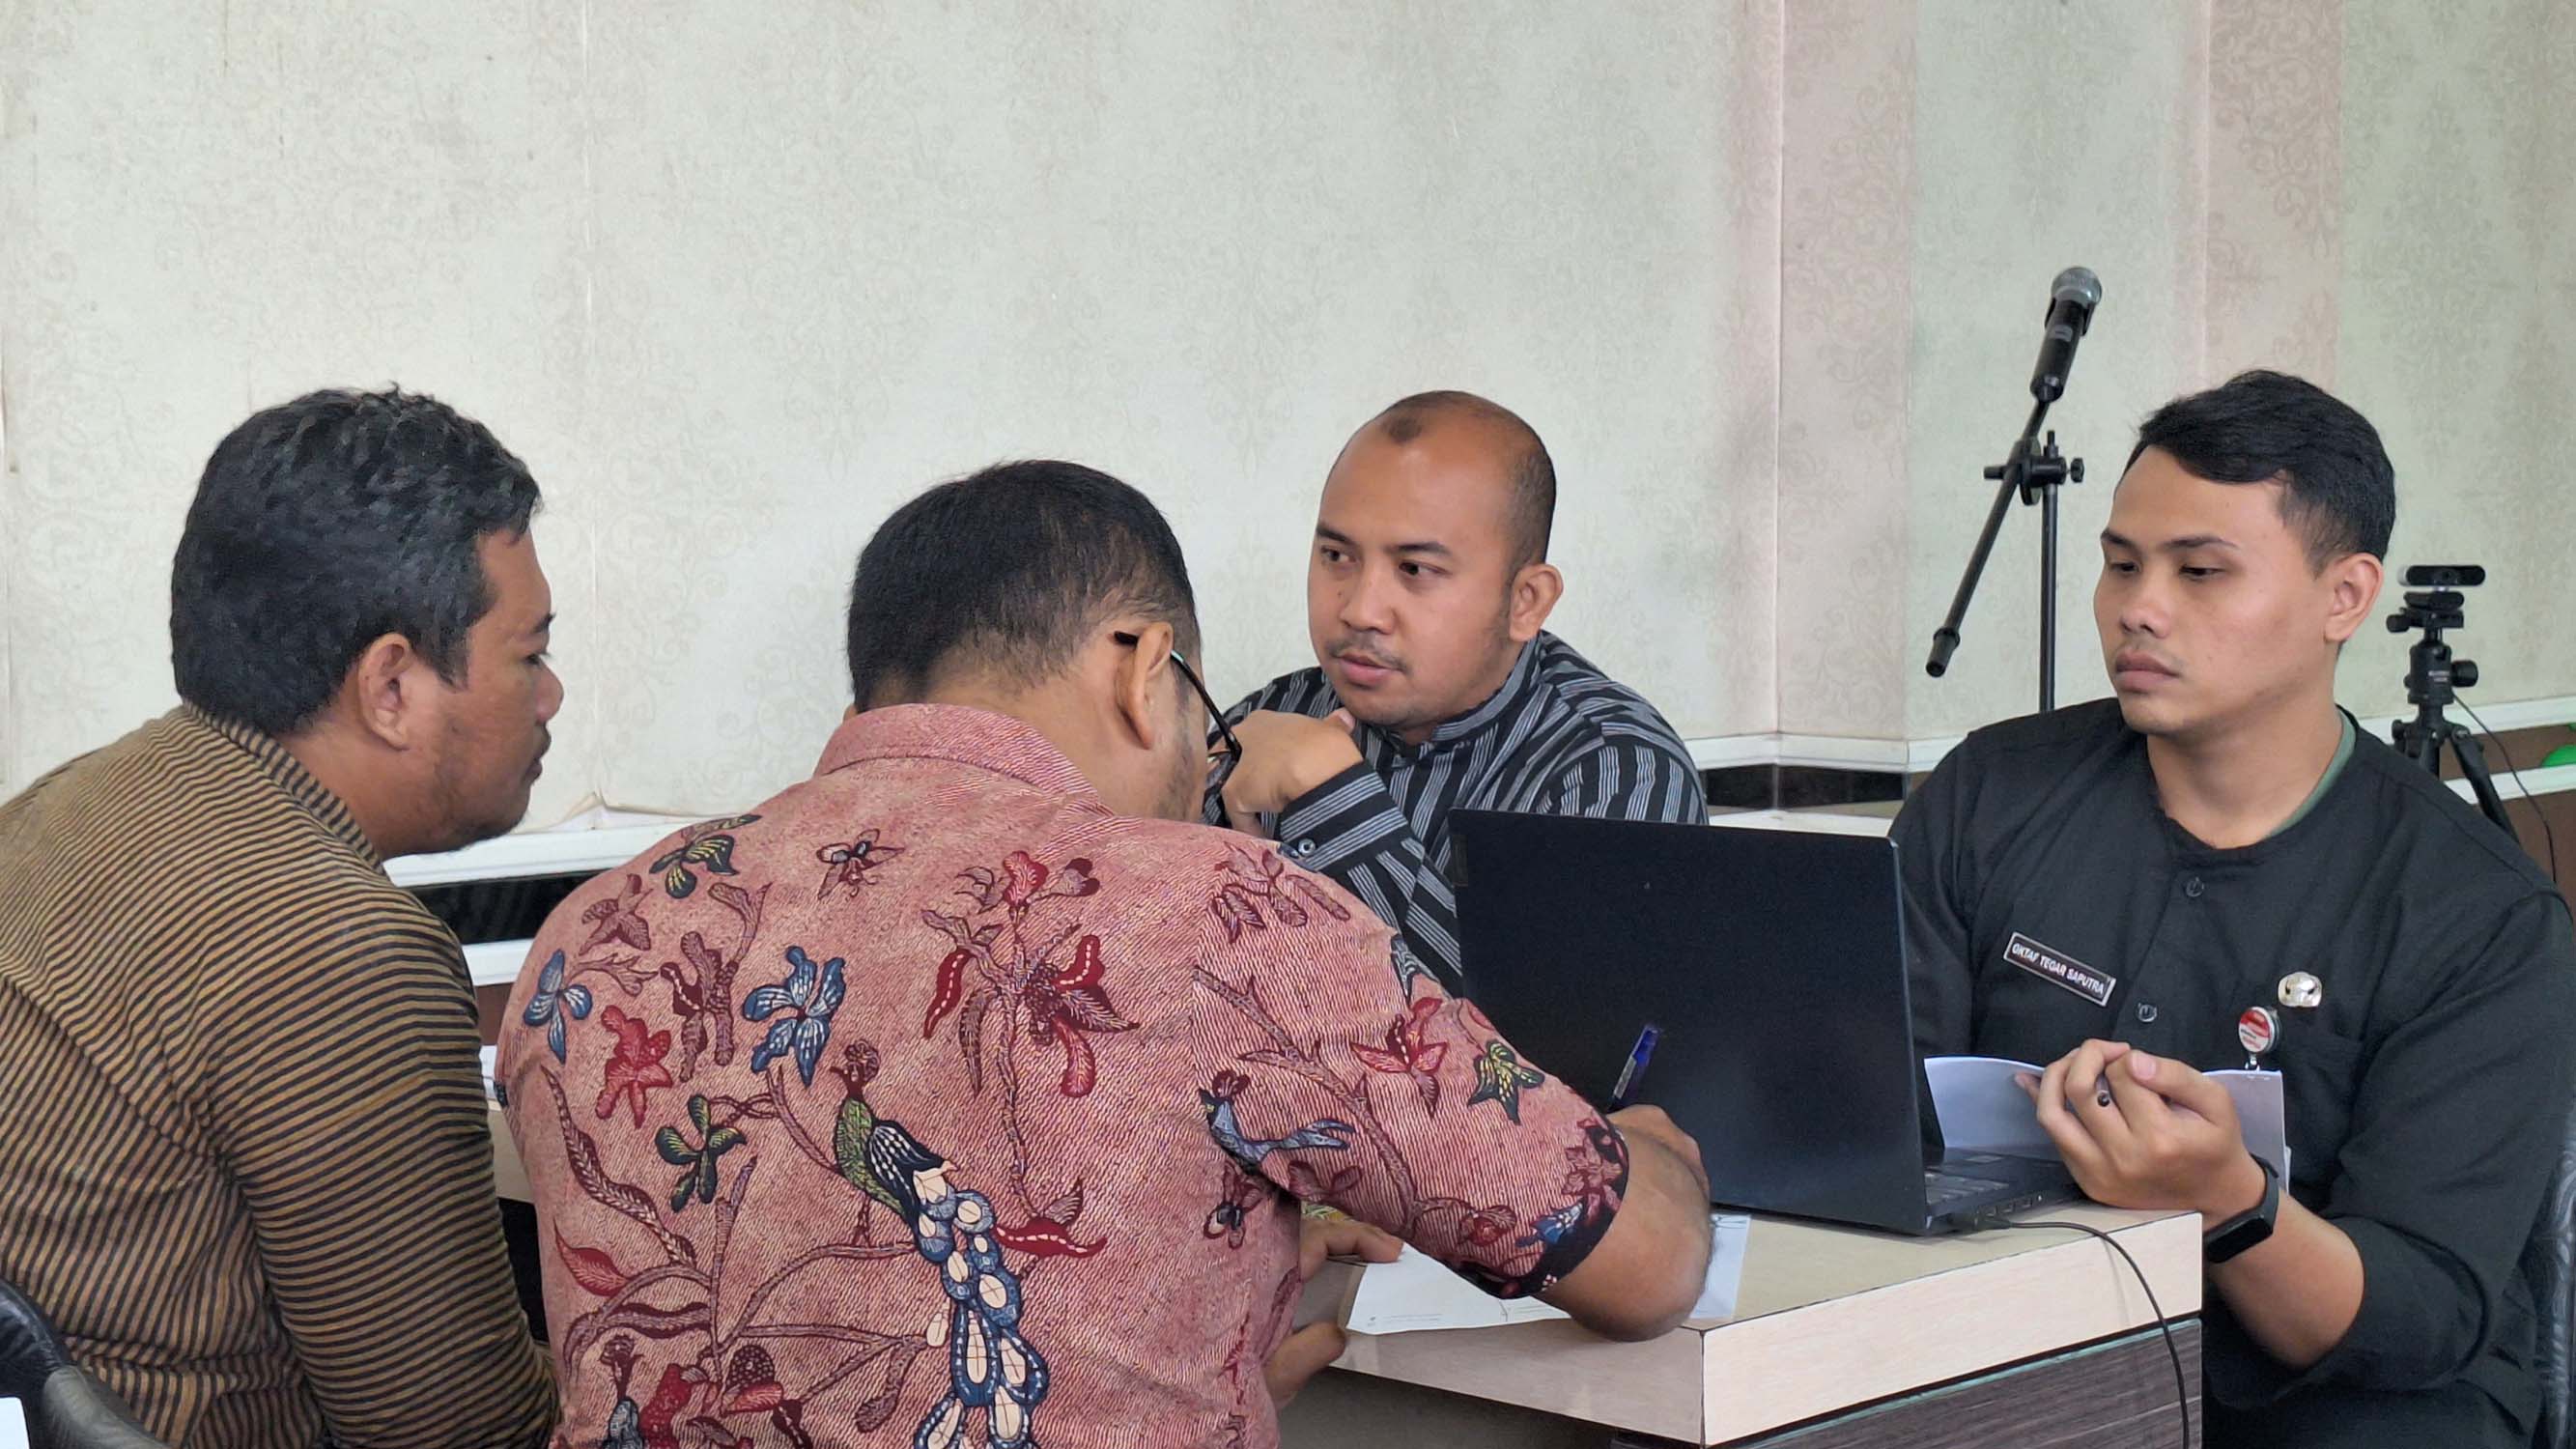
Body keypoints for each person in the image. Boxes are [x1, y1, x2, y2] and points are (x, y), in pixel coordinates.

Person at [499, 460, 1714, 1449]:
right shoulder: (1216, 908)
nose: (1202, 764)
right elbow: (1643, 1267)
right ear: (1141, 665)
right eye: (1201, 714)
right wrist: (1652, 1153)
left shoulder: (596, 936)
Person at [1895, 370, 2576, 1447]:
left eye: (2200, 571)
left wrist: (2231, 1204)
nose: (2139, 607)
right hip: (2030, 1340)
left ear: (2344, 597)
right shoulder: (1992, 794)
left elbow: (2420, 1316)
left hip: (2347, 1401)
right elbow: (1878, 1112)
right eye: (2122, 564)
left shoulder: (2478, 911)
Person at [0, 389, 560, 1446]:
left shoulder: (66, 804)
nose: (550, 696)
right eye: (528, 654)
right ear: (390, 685)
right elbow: (459, 1433)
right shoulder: (346, 955)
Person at [1206, 391, 1706, 993]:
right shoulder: (1275, 716)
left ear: (1526, 602)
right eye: (1337, 555)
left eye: (1415, 570)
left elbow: (1544, 1039)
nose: (1360, 610)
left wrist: (1336, 800)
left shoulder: (1614, 771)